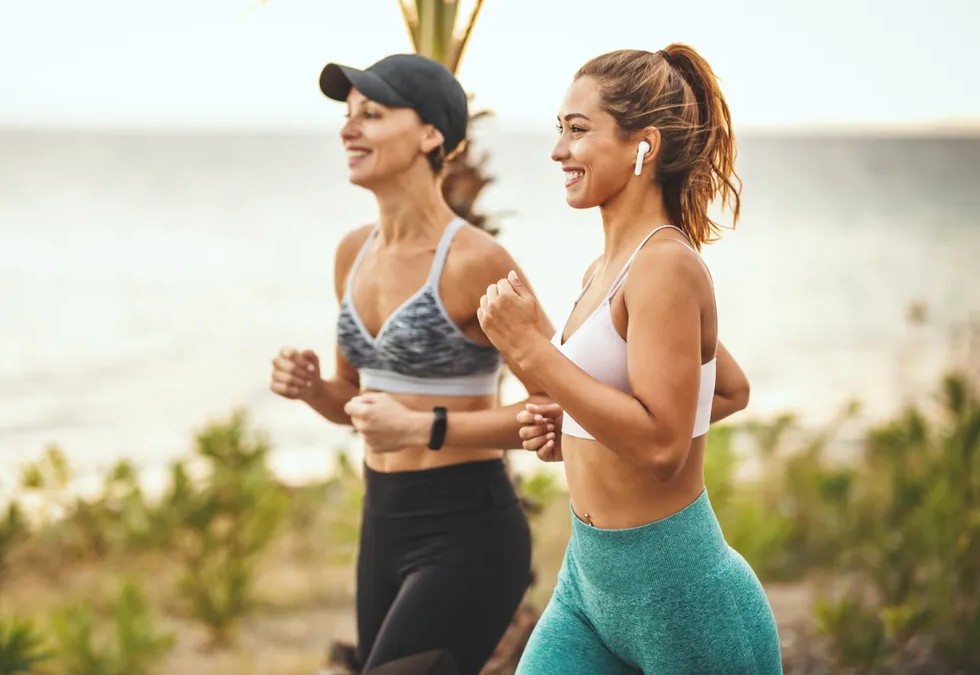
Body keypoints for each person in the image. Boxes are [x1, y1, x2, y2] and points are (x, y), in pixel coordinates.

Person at [475, 44, 782, 674]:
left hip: (682, 596)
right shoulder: (606, 269)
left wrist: (532, 349)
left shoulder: (666, 266)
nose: (559, 151)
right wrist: (578, 423)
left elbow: (666, 446)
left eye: (578, 131)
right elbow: (726, 389)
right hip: (589, 586)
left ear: (645, 145)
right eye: (559, 131)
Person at [269, 53, 551, 675]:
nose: (349, 129)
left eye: (371, 113)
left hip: (468, 529)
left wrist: (426, 429)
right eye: (347, 115)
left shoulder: (475, 261)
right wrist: (314, 388)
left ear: (431, 134)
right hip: (383, 523)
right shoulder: (353, 253)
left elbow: (558, 405)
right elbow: (357, 403)